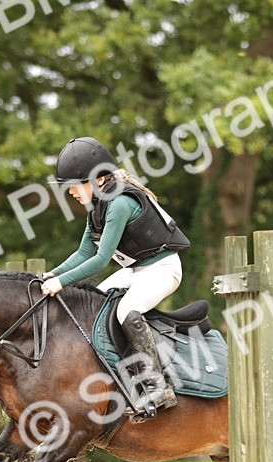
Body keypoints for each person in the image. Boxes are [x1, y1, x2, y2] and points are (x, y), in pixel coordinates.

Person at [42, 137, 190, 417]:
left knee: (126, 312)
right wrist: (53, 274)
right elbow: (84, 251)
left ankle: (156, 387)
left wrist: (60, 283)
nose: (70, 192)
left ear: (97, 180)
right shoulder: (98, 207)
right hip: (136, 271)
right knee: (94, 304)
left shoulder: (119, 204)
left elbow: (100, 260)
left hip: (163, 269)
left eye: (74, 184)